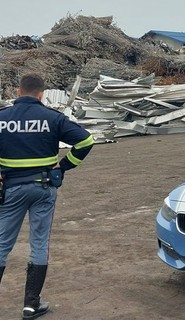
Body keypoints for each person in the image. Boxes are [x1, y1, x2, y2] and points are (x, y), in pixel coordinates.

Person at [0, 74, 94, 319]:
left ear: (18, 93)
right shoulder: (53, 118)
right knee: (39, 244)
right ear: (41, 94)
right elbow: (86, 140)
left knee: (1, 245)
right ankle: (31, 305)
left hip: (10, 189)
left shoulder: (1, 118)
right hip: (43, 189)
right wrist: (63, 167)